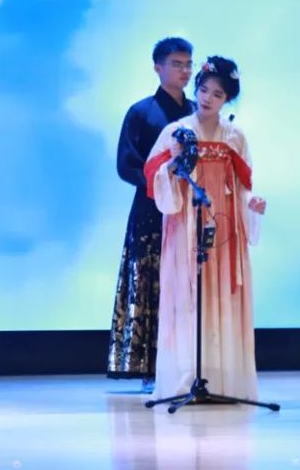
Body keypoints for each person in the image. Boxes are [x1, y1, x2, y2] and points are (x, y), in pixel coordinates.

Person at [145, 56, 265, 401]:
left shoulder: (234, 137)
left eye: (217, 93)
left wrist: (252, 203)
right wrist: (173, 162)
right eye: (203, 90)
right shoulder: (176, 131)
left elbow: (241, 186)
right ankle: (186, 379)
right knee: (187, 298)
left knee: (220, 297)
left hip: (224, 229)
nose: (208, 98)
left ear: (227, 99)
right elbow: (154, 176)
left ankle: (222, 379)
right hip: (185, 225)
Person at [107, 37, 196, 392]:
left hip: (190, 209)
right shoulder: (142, 112)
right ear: (158, 67)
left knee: (189, 285)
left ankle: (190, 364)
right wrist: (161, 181)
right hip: (151, 209)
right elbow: (126, 164)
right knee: (153, 283)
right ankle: (151, 369)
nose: (184, 70)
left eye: (188, 64)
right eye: (176, 64)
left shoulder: (197, 112)